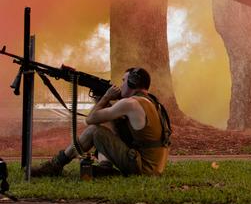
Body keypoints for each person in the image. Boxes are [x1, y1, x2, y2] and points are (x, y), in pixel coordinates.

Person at [31, 67, 170, 177]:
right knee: (104, 133)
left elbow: (90, 120)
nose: (120, 85)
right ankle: (105, 169)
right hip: (153, 166)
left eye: (123, 81)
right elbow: (118, 130)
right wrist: (102, 99)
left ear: (132, 82)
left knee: (94, 131)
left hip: (143, 167)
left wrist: (105, 98)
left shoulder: (130, 103)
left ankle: (55, 165)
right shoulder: (151, 101)